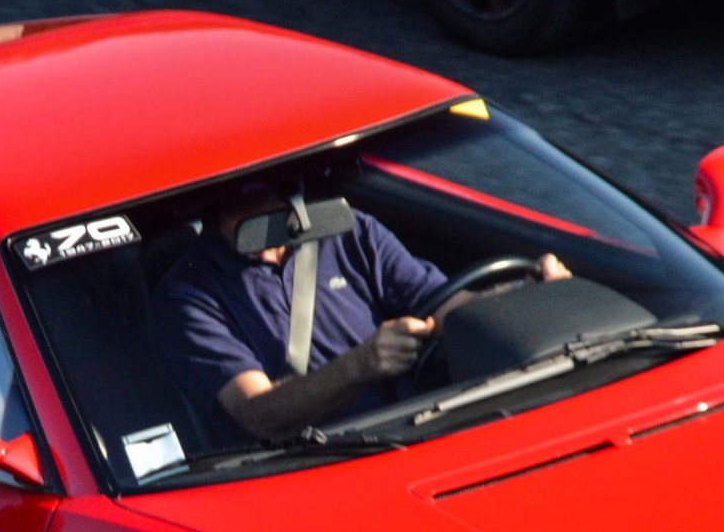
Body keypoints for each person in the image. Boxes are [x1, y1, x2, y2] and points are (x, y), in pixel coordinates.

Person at [154, 184, 568, 443]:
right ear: (210, 199)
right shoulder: (189, 293)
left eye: (271, 183)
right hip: (315, 462)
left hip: (424, 430)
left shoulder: (350, 231)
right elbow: (257, 414)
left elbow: (445, 307)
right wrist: (359, 366)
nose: (262, 197)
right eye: (242, 189)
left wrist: (522, 294)